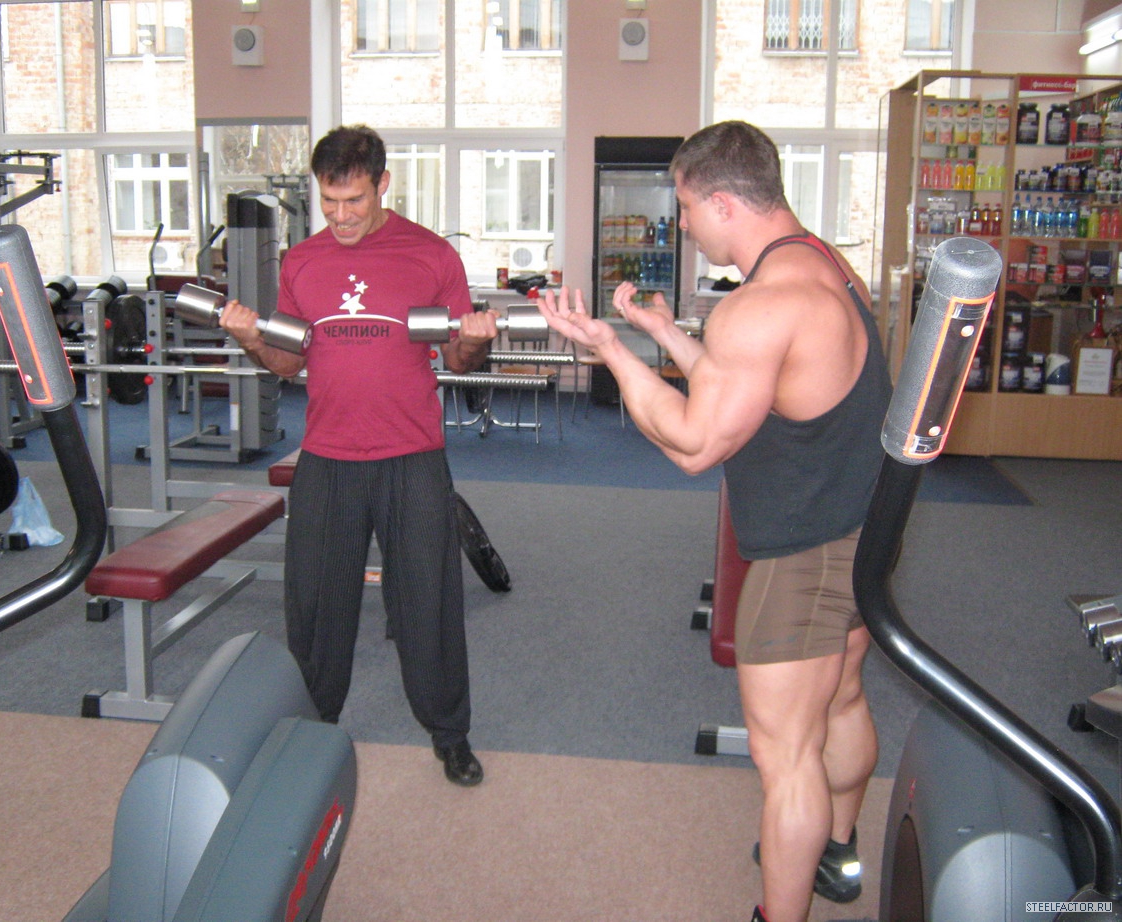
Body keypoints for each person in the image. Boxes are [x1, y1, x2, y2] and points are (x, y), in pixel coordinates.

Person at [536, 121, 892, 922]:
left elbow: (696, 444)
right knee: (839, 701)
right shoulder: (827, 267)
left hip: (805, 555)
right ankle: (836, 851)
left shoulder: (759, 307)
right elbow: (755, 395)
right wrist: (663, 333)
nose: (685, 225)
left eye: (689, 208)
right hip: (862, 532)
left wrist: (608, 349)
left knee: (785, 756)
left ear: (725, 203)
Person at [218, 124, 499, 787]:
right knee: (316, 605)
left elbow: (458, 357)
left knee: (428, 602)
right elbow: (289, 361)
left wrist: (476, 338)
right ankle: (310, 728)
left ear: (382, 185)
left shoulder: (430, 256)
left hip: (412, 456)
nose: (340, 216)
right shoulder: (302, 263)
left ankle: (450, 733)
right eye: (329, 201)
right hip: (327, 457)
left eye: (354, 200)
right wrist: (250, 339)